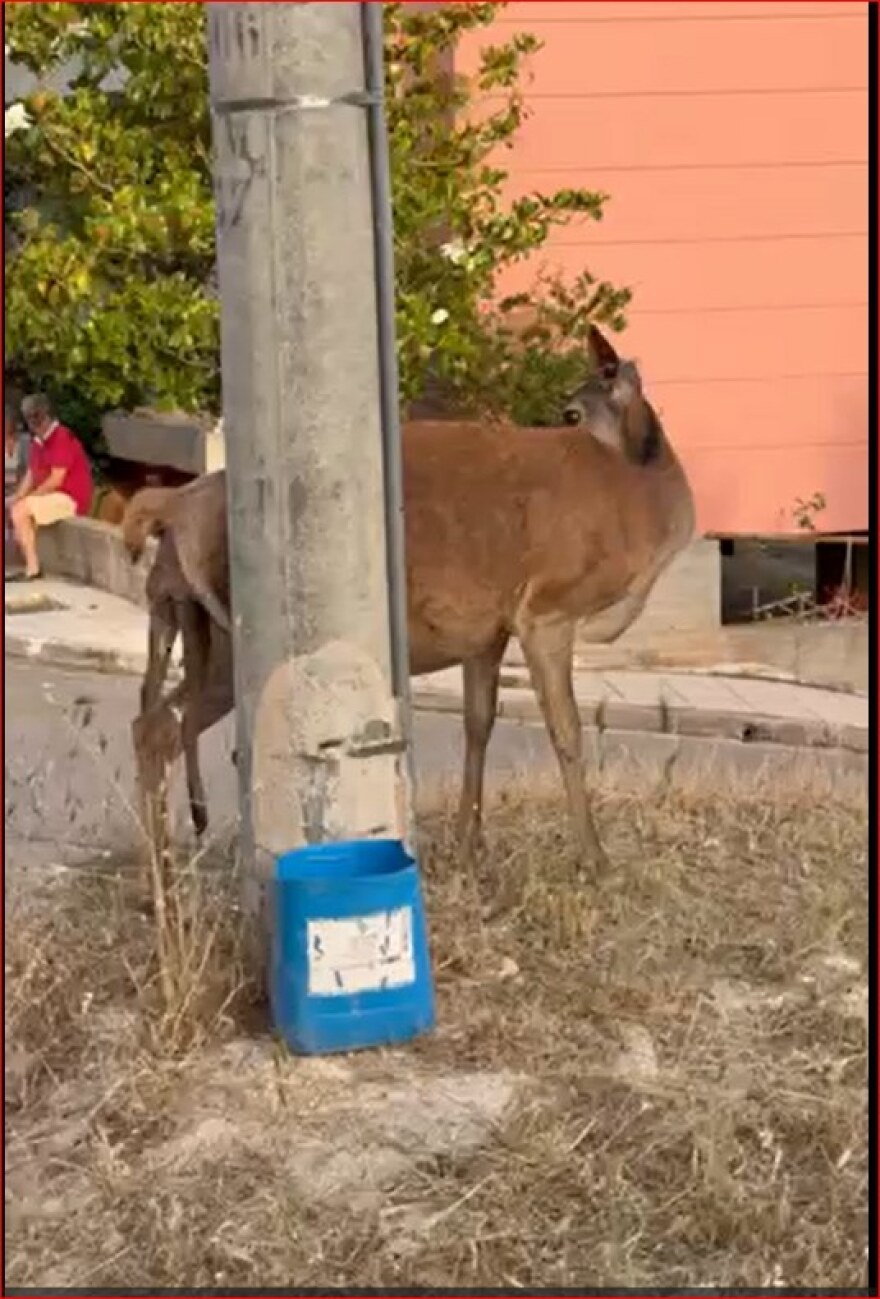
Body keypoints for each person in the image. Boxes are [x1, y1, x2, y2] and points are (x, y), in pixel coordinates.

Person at [6, 394, 94, 582]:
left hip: (70, 497)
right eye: (30, 418)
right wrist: (18, 496)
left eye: (36, 417)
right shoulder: (37, 441)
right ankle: (30, 564)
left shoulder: (61, 436)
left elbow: (56, 479)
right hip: (52, 496)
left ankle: (32, 568)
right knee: (16, 507)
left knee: (21, 510)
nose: (33, 423)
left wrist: (29, 498)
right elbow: (31, 474)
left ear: (47, 416)